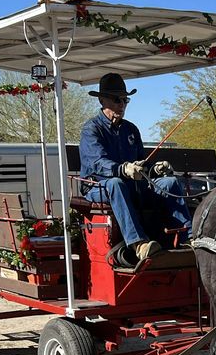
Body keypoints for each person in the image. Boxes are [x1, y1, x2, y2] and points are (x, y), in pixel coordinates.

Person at [79, 73, 191, 264]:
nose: (121, 104)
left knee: (169, 182)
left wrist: (154, 169)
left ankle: (188, 237)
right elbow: (97, 162)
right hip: (98, 187)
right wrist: (123, 169)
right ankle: (138, 244)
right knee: (116, 183)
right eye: (116, 100)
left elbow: (141, 163)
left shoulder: (131, 130)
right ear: (102, 100)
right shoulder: (91, 129)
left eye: (125, 100)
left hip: (133, 186)